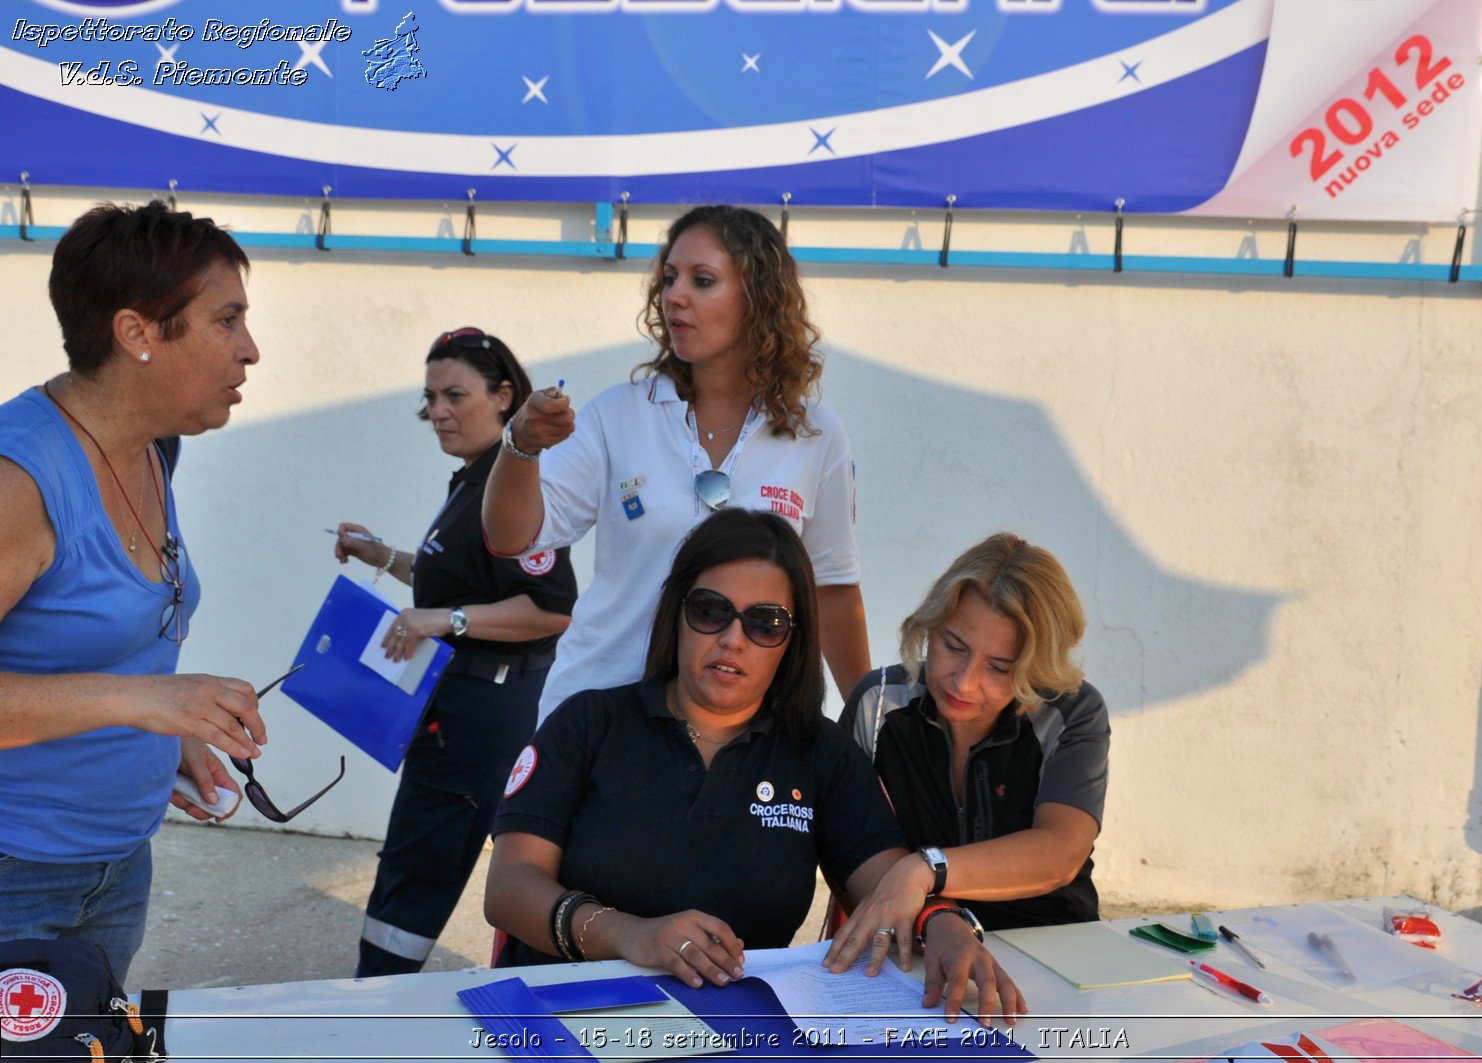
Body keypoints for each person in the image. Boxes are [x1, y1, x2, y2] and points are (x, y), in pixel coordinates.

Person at [485, 508, 1022, 1025]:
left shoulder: (821, 753)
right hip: (569, 1011)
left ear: (792, 642)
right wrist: (628, 934)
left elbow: (883, 883)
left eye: (766, 623)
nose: (733, 638)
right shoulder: (588, 724)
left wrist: (945, 924)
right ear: (678, 612)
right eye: (711, 610)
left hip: (735, 1029)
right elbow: (509, 887)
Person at [0, 201, 268, 983]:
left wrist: (171, 724)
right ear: (136, 332)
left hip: (118, 862)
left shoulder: (157, 445)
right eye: (227, 320)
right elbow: (116, 683)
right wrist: (144, 701)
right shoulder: (21, 482)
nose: (250, 350)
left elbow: (111, 635)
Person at [483, 205, 869, 723]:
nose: (674, 296)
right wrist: (521, 445)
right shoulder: (617, 414)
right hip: (599, 713)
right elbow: (511, 537)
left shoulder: (815, 435)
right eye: (668, 279)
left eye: (703, 280)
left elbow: (834, 591)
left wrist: (867, 718)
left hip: (738, 730)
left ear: (760, 300)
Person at [332, 328, 578, 977]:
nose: (438, 411)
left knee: (420, 866)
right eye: (430, 397)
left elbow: (550, 607)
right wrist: (380, 554)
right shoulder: (473, 481)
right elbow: (454, 583)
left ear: (504, 396)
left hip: (483, 717)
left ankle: (378, 1001)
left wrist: (447, 618)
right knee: (416, 862)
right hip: (456, 706)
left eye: (454, 395)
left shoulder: (517, 486)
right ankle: (381, 991)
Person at [825, 533, 1109, 973]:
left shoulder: (1072, 710)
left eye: (999, 667)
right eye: (953, 647)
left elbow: (1060, 852)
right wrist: (936, 920)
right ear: (929, 626)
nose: (963, 682)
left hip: (1054, 958)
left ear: (1037, 668)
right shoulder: (876, 703)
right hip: (911, 952)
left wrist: (925, 869)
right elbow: (845, 849)